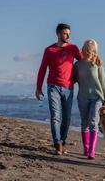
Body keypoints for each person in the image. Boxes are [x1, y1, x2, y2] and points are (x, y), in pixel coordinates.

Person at [35, 23, 82, 155]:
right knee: (56, 116)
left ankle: (63, 140)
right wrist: (38, 88)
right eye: (65, 33)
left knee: (67, 118)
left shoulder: (73, 48)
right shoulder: (49, 50)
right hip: (53, 86)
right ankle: (57, 143)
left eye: (69, 34)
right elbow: (42, 69)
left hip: (69, 87)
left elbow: (84, 61)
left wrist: (97, 59)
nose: (68, 36)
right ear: (58, 34)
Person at [73, 39, 105, 159]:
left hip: (97, 97)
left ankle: (92, 151)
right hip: (83, 97)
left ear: (94, 51)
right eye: (87, 49)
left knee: (93, 121)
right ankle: (86, 148)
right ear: (83, 49)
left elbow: (103, 81)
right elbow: (72, 80)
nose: (89, 51)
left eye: (92, 50)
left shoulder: (97, 64)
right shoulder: (78, 65)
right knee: (84, 123)